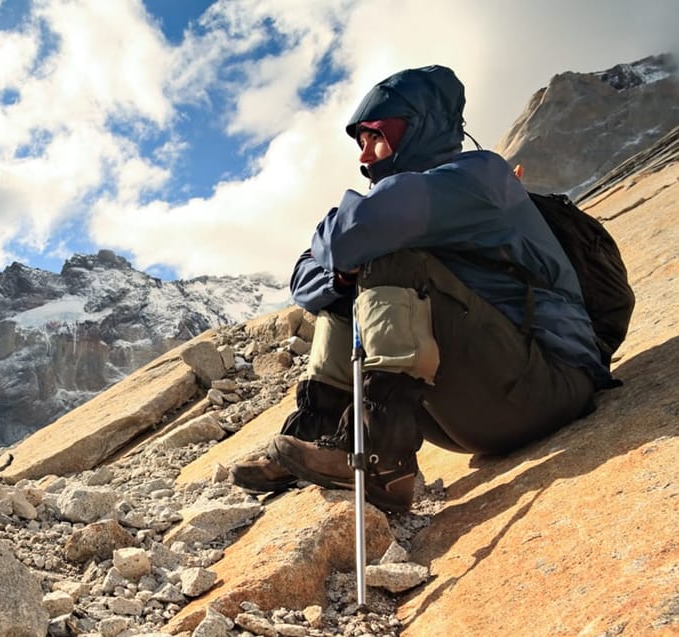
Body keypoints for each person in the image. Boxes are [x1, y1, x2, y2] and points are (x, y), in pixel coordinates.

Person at [229, 65, 608, 513]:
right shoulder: (410, 201)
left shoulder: (476, 176)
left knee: (387, 258)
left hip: (549, 385)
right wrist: (339, 270)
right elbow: (304, 281)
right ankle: (317, 432)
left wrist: (339, 246)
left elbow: (346, 237)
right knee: (347, 283)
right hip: (480, 409)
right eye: (360, 143)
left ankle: (381, 458)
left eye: (374, 137)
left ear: (415, 128)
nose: (364, 156)